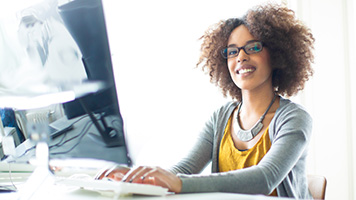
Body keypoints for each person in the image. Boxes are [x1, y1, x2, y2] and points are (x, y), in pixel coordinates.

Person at [96, 3, 315, 199]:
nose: (240, 57)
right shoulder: (221, 117)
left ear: (277, 54)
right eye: (232, 51)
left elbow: (265, 179)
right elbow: (186, 169)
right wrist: (138, 178)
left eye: (253, 47)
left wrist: (179, 183)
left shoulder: (294, 118)